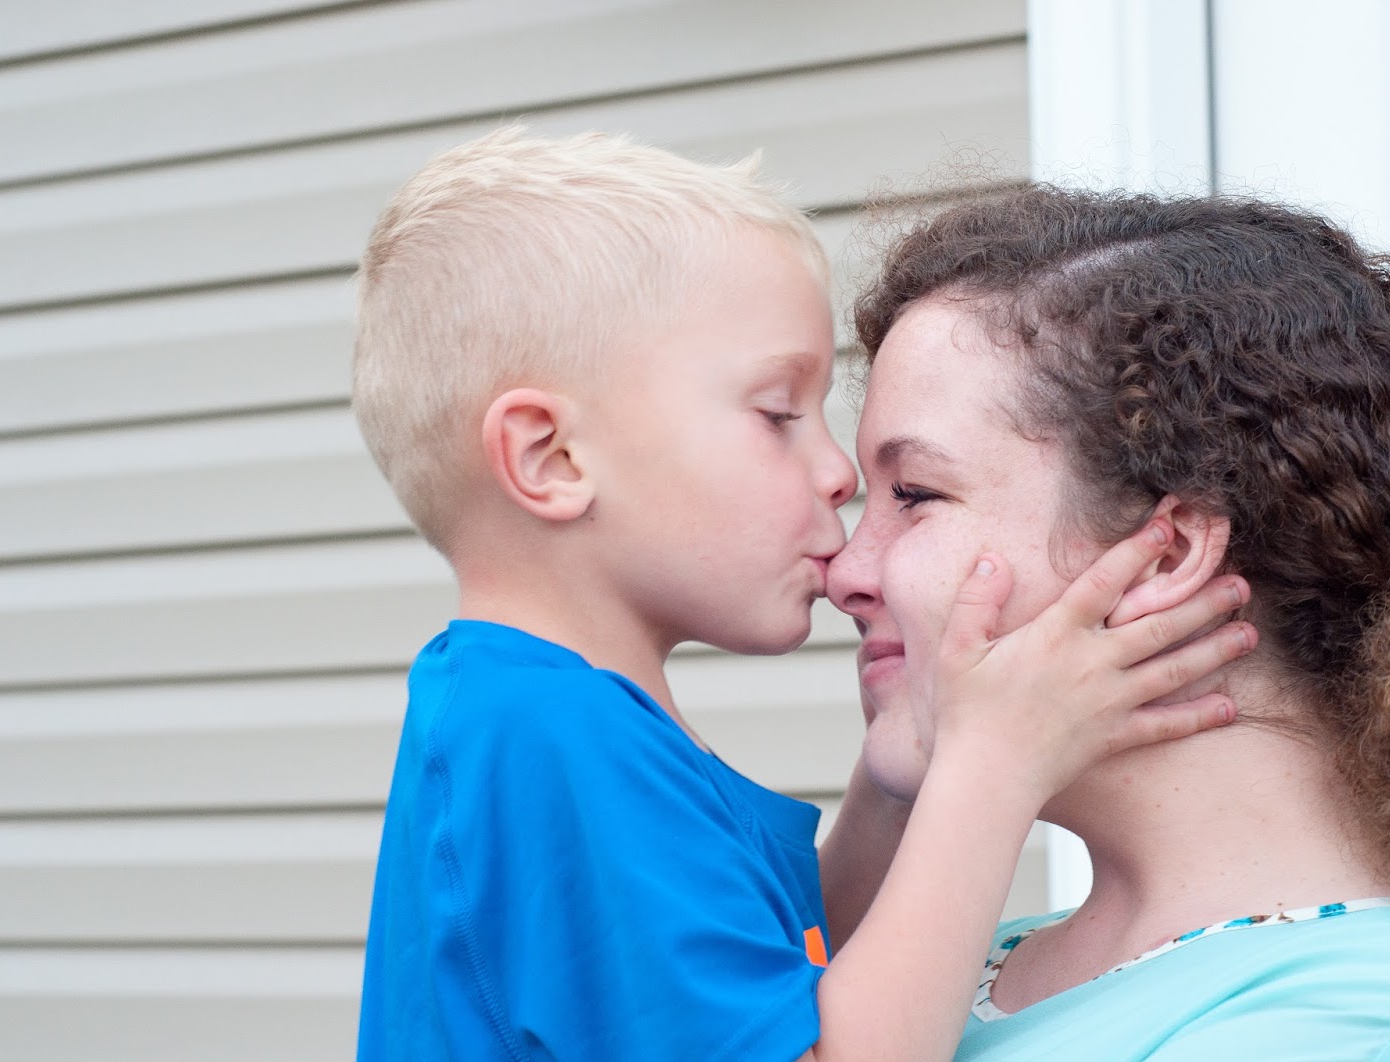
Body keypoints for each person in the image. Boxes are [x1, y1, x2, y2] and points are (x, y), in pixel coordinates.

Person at [349, 128, 1256, 1061]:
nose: (835, 472)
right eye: (778, 413)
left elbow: (785, 986)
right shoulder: (554, 736)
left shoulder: (532, 717)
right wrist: (994, 764)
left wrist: (896, 787)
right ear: (552, 458)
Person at [828, 185, 1390, 1059]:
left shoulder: (1371, 1026)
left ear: (1168, 556)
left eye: (915, 493)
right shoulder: (958, 977)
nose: (845, 574)